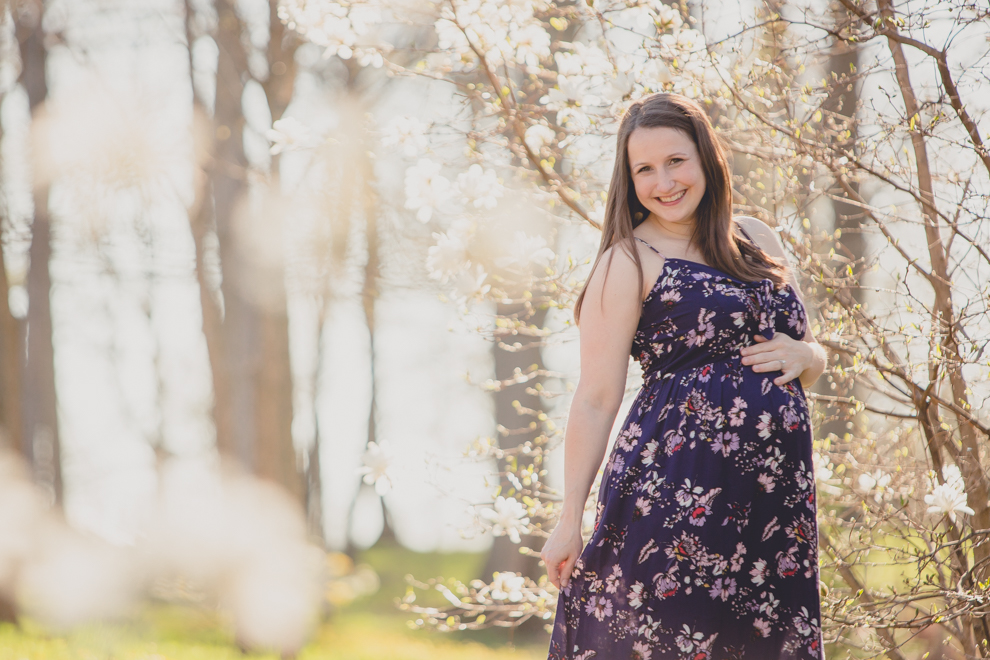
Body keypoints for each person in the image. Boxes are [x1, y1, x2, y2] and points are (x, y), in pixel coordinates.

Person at [541, 92, 828, 659]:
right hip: (677, 494)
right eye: (644, 169)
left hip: (775, 502)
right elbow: (597, 397)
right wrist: (569, 518)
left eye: (675, 161)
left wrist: (809, 358)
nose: (663, 181)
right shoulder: (627, 259)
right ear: (628, 180)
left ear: (705, 158)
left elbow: (808, 352)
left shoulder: (757, 238)